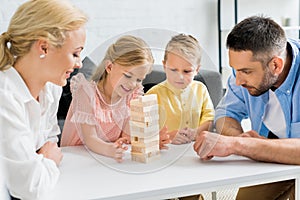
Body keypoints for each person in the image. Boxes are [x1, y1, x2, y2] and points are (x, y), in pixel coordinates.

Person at [193, 16, 299, 200]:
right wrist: (237, 137)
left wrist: (238, 145)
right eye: (236, 70)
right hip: (272, 157)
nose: (238, 81)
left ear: (276, 65)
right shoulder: (244, 72)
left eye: (246, 72)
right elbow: (226, 113)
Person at [0, 0, 87, 199]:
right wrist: (47, 159)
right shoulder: (4, 97)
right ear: (44, 48)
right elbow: (30, 188)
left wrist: (42, 160)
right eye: (75, 53)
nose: (79, 63)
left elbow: (50, 140)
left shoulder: (51, 88)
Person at [60, 35, 171, 162]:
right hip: (78, 157)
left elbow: (128, 132)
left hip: (107, 158)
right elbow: (90, 139)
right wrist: (110, 149)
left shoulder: (132, 94)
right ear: (109, 67)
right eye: (128, 76)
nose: (132, 84)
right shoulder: (86, 93)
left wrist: (150, 140)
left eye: (139, 79)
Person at [146, 34, 214, 145]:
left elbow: (209, 117)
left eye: (187, 71)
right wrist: (168, 137)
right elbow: (144, 131)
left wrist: (197, 132)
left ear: (197, 69)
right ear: (164, 65)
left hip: (195, 149)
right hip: (166, 151)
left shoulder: (201, 89)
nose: (180, 77)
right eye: (173, 70)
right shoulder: (153, 95)